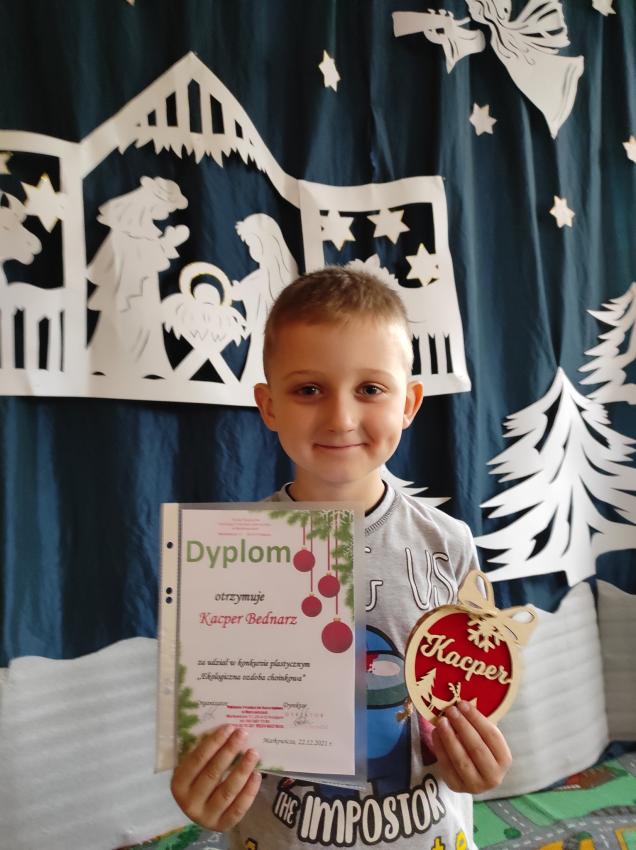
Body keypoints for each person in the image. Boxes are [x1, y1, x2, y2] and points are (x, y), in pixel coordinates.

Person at [170, 265, 511, 849]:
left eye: (371, 389)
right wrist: (206, 789)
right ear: (268, 405)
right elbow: (212, 727)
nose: (341, 418)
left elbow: (472, 709)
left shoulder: (450, 543)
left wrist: (474, 762)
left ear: (409, 403)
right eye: (309, 390)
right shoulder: (226, 557)